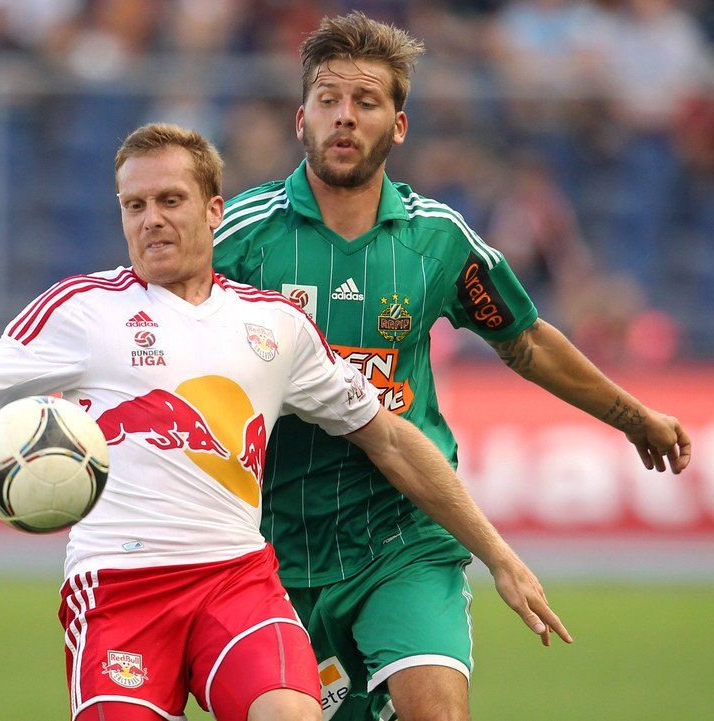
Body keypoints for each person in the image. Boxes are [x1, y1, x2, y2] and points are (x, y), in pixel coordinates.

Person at [0, 123, 569, 721]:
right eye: (133, 204)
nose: (151, 219)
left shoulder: (274, 326)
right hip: (119, 591)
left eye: (170, 200)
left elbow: (388, 437)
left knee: (292, 713)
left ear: (214, 210)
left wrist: (498, 556)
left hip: (237, 579)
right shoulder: (80, 311)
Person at [211, 13, 691, 721]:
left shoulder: (436, 240)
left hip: (404, 537)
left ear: (399, 126)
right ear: (300, 117)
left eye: (367, 101)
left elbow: (526, 341)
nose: (345, 116)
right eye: (329, 99)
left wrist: (631, 415)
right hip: (274, 545)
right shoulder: (239, 238)